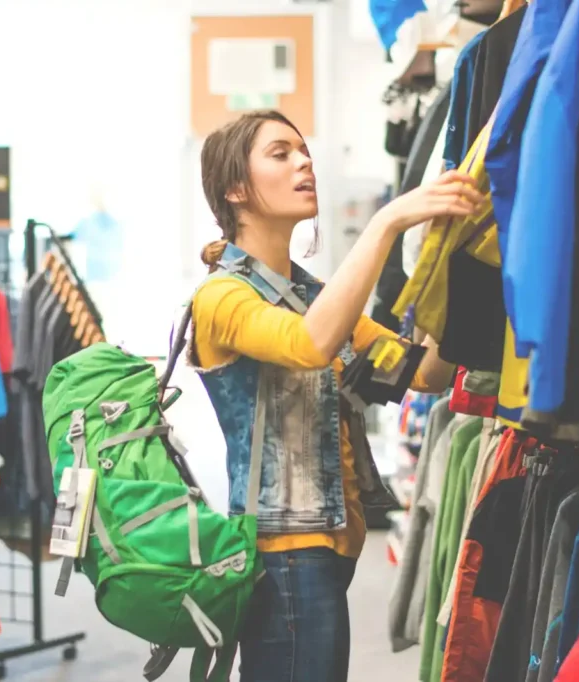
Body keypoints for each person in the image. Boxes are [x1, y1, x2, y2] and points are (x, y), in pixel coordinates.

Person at [189, 110, 483, 682]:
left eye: (305, 152)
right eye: (280, 153)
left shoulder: (310, 294)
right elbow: (308, 344)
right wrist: (386, 224)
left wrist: (453, 273)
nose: (304, 163)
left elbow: (423, 374)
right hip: (284, 556)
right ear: (235, 188)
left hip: (329, 550)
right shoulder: (221, 297)